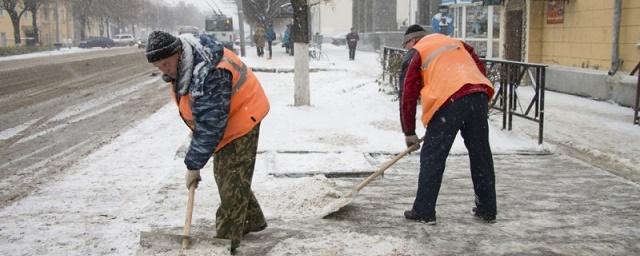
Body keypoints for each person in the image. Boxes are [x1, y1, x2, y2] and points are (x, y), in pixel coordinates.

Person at [145, 30, 270, 254]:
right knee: (230, 176)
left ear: (178, 53)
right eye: (159, 66)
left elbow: (212, 126)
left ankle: (225, 243)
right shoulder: (185, 64)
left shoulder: (209, 73)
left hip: (243, 115)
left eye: (166, 63)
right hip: (227, 117)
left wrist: (193, 164)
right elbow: (204, 117)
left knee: (230, 179)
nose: (164, 70)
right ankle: (253, 221)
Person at [398, 24, 497, 225]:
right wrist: (471, 90)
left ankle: (424, 210)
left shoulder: (418, 51)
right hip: (477, 95)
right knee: (481, 154)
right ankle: (487, 208)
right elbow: (478, 66)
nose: (406, 50)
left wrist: (409, 132)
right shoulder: (455, 42)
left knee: (432, 157)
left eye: (406, 46)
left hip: (449, 101)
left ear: (412, 41)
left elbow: (407, 94)